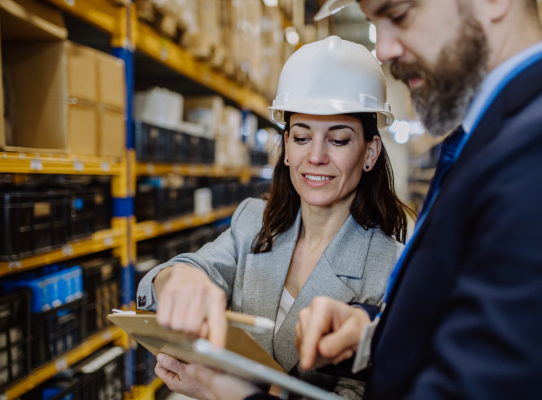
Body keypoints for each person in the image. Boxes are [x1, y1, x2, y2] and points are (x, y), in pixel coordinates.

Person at [171, 0, 542, 399]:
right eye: (301, 137)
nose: (385, 49)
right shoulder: (492, 136)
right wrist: (372, 336)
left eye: (399, 13)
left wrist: (237, 394)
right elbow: (470, 325)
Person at [136, 36, 416, 400]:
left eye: (339, 140)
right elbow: (192, 269)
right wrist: (179, 277)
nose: (315, 157)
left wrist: (225, 391)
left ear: (370, 152)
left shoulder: (391, 267)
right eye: (301, 137)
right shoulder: (253, 222)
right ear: (286, 149)